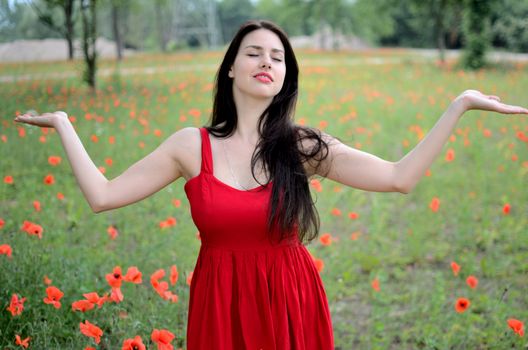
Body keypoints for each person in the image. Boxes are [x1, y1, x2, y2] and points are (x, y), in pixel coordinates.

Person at [14, 19, 527, 350]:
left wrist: (458, 104)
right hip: (221, 306)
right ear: (232, 67)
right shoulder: (189, 147)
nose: (266, 62)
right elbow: (103, 196)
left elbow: (399, 177)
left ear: (286, 76)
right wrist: (64, 123)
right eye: (254, 52)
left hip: (289, 301)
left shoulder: (301, 147)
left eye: (278, 57)